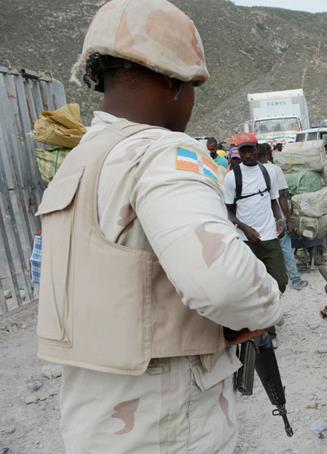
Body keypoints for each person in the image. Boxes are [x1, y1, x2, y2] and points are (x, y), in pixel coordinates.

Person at [37, 1, 283, 452]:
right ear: (173, 81)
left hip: (97, 422)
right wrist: (266, 307)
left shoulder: (78, 161)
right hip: (169, 420)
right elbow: (225, 284)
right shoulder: (163, 153)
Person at [223, 133, 288, 293]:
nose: (247, 155)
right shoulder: (232, 177)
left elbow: (273, 201)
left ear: (257, 149)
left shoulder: (268, 173)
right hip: (247, 241)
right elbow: (228, 212)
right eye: (243, 151)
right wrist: (245, 228)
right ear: (238, 151)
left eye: (250, 150)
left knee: (280, 281)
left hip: (269, 237)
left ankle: (272, 302)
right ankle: (264, 308)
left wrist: (280, 221)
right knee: (251, 285)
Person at [257, 143, 308, 290]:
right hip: (276, 216)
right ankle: (296, 280)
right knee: (285, 247)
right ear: (268, 153)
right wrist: (288, 219)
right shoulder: (275, 170)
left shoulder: (253, 171)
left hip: (260, 217)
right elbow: (282, 196)